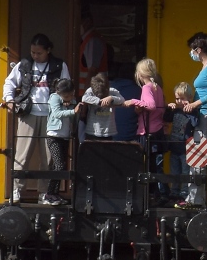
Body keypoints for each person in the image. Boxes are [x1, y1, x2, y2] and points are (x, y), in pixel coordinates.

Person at [2, 35, 70, 202]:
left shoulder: (59, 65)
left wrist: (65, 100)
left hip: (51, 116)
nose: (35, 55)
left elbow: (67, 85)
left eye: (39, 53)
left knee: (47, 157)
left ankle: (44, 193)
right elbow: (9, 83)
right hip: (28, 113)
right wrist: (9, 100)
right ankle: (16, 190)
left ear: (48, 50)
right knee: (22, 154)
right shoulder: (24, 64)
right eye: (33, 52)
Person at [179, 32, 207, 206]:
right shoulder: (205, 67)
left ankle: (195, 200)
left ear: (199, 49)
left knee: (198, 156)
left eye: (192, 50)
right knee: (196, 155)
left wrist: (195, 104)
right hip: (201, 115)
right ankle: (196, 198)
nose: (191, 53)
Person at [123, 59, 166, 196]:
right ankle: (156, 193)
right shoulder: (157, 87)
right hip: (157, 129)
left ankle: (147, 194)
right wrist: (141, 109)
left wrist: (133, 101)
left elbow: (151, 105)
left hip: (147, 131)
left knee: (146, 165)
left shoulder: (147, 88)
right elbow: (159, 108)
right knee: (154, 165)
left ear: (140, 74)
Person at [43, 78, 77, 204]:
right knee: (59, 165)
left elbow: (74, 102)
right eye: (66, 96)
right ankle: (49, 194)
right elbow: (57, 113)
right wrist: (72, 111)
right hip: (54, 135)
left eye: (71, 95)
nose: (69, 98)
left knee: (61, 166)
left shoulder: (70, 100)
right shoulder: (54, 98)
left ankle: (55, 194)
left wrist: (69, 102)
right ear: (59, 92)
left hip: (64, 136)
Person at [167, 82, 197, 201]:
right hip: (174, 146)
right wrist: (169, 108)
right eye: (177, 98)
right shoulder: (176, 111)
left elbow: (195, 123)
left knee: (185, 171)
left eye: (182, 99)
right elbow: (167, 119)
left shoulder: (192, 112)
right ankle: (174, 192)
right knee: (174, 171)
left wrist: (190, 110)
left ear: (189, 99)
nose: (179, 101)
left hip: (185, 148)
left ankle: (184, 193)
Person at [80, 72, 125, 139]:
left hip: (108, 131)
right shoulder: (90, 91)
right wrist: (99, 101)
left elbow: (122, 100)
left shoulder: (112, 91)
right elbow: (84, 98)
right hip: (92, 131)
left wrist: (111, 98)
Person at [78, 11, 109, 93]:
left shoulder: (92, 41)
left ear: (87, 21)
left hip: (93, 94)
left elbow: (92, 71)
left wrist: (85, 98)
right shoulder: (86, 40)